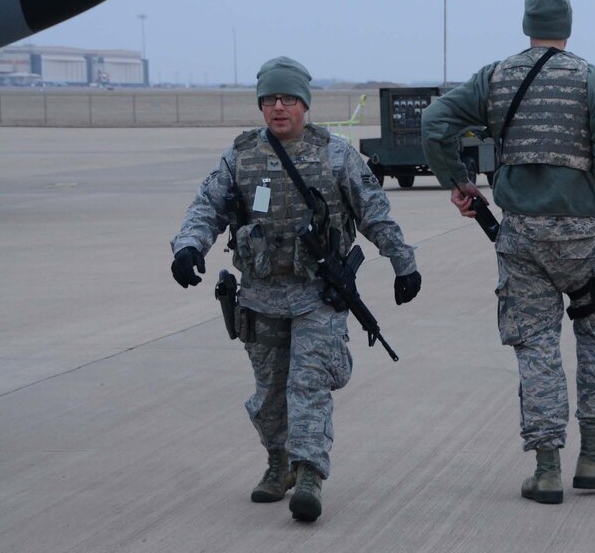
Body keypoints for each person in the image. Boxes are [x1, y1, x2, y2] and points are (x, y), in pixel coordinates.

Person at [169, 57, 422, 522]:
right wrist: (188, 247)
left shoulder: (336, 155)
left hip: (318, 296)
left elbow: (375, 212)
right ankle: (278, 462)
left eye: (287, 99)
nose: (278, 107)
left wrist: (403, 263)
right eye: (269, 99)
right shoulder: (242, 155)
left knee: (308, 384)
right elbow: (206, 207)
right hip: (261, 297)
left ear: (305, 104)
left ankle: (309, 475)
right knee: (269, 394)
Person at [420, 0, 595, 505]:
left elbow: (435, 123)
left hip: (520, 233)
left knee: (536, 346)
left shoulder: (495, 76)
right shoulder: (590, 79)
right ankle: (594, 457)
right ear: (568, 25)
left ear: (527, 24)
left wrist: (459, 179)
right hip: (582, 235)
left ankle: (546, 470)